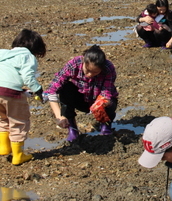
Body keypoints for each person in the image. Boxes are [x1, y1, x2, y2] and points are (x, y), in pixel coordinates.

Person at [44, 45, 119, 142]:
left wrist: (102, 103)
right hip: (81, 99)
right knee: (65, 88)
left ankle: (106, 125)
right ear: (83, 61)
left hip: (98, 100)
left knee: (110, 101)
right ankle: (72, 128)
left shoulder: (108, 68)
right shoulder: (74, 64)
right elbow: (53, 87)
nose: (89, 75)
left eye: (95, 72)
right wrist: (59, 116)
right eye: (87, 70)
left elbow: (107, 92)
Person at [0, 29, 46, 165]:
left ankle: (3, 147)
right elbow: (27, 76)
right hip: (11, 94)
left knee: (2, 118)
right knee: (18, 121)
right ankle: (18, 155)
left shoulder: (3, 53)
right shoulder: (28, 57)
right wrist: (37, 89)